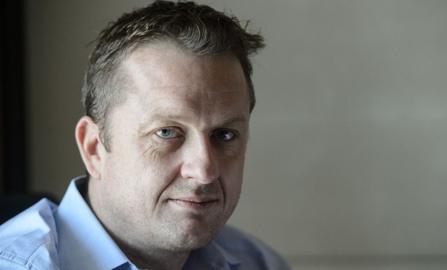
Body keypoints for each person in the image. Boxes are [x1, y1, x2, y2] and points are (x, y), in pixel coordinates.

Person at [0, 1, 290, 269]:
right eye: (166, 132)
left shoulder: (258, 262)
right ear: (93, 148)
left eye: (225, 135)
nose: (204, 171)